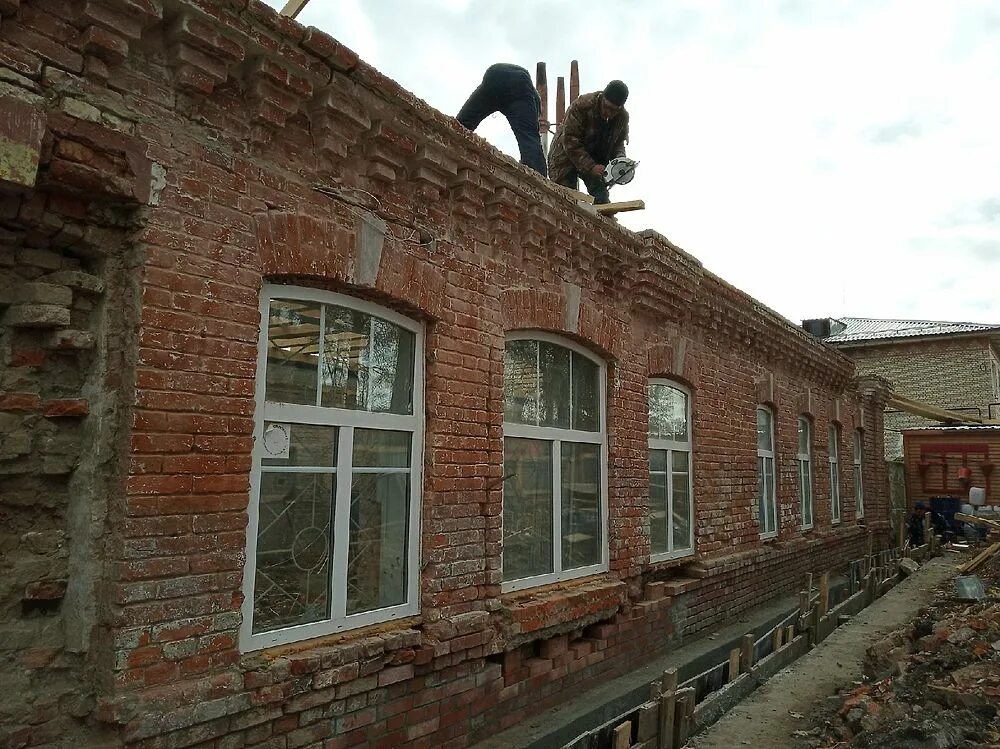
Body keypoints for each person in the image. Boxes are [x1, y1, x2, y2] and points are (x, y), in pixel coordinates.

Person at [456, 63, 547, 177]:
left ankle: (450, 147)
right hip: (518, 82)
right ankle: (539, 182)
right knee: (529, 138)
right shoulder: (533, 101)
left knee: (462, 124)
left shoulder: (529, 97)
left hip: (493, 75)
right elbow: (530, 138)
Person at [547, 80, 629, 204]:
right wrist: (590, 167)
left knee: (602, 200)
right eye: (607, 107)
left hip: (595, 158)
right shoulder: (582, 106)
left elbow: (618, 142)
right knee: (564, 199)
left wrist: (620, 160)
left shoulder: (622, 117)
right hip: (565, 155)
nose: (609, 113)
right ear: (602, 98)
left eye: (614, 110)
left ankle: (602, 221)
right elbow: (570, 140)